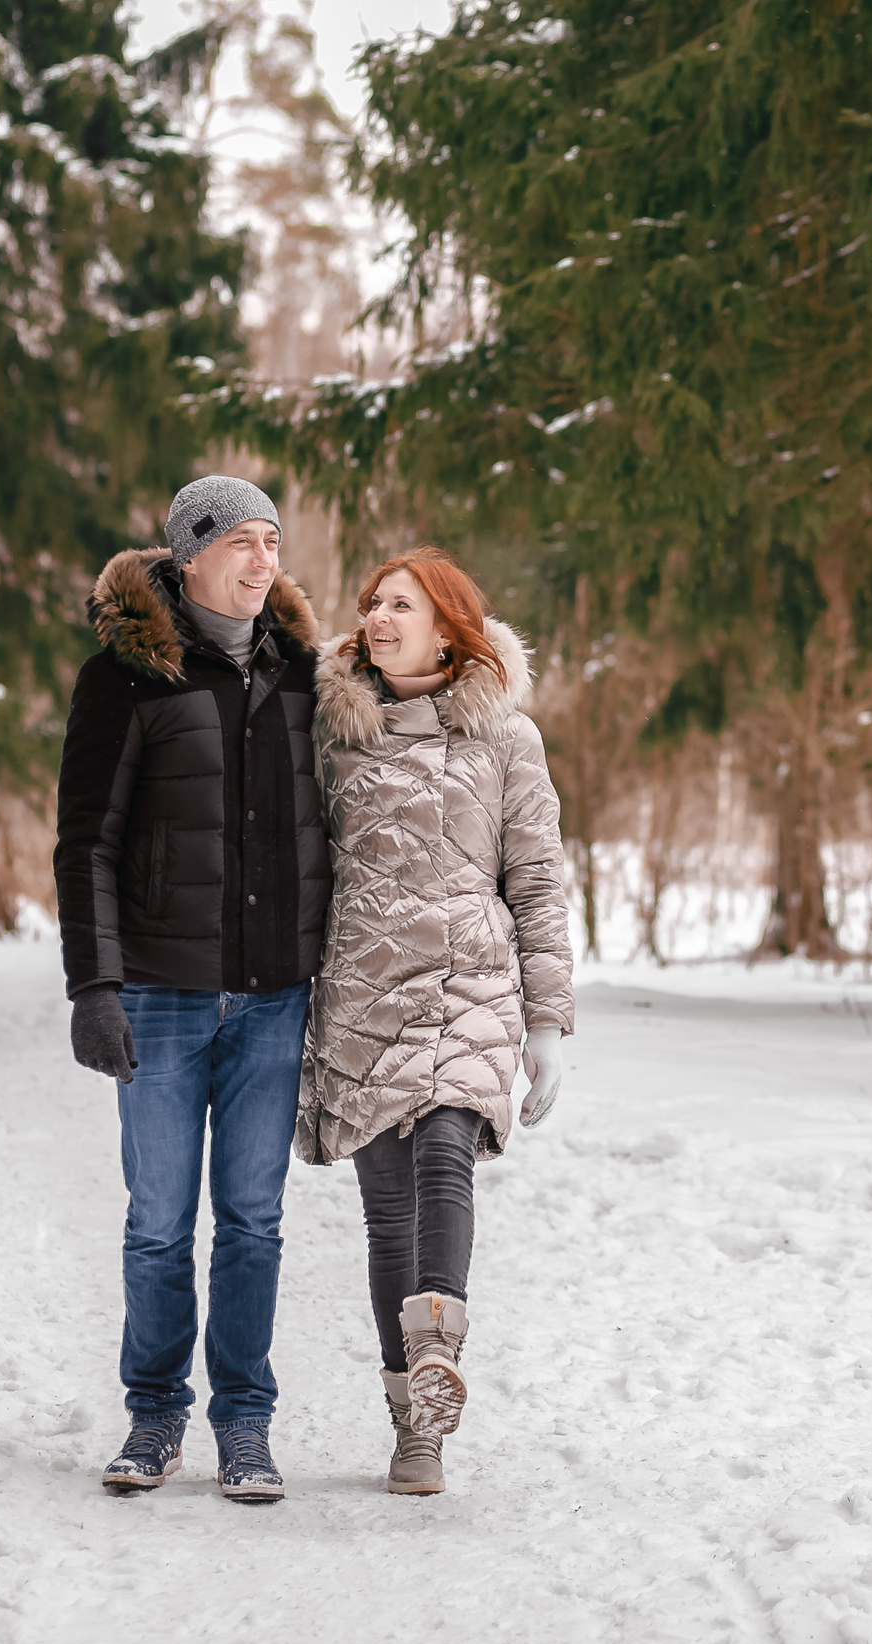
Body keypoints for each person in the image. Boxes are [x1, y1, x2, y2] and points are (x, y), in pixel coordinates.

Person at [53, 475, 329, 1502]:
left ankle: (245, 1425)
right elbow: (85, 844)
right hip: (163, 997)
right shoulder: (123, 680)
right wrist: (96, 986)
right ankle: (155, 1413)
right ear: (187, 556)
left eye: (273, 543)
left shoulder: (306, 677)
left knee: (252, 1220)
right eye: (242, 543)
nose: (264, 562)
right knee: (159, 1220)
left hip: (272, 996)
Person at [295, 544, 574, 1496]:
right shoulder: (334, 733)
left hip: (469, 988)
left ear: (449, 623)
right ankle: (416, 1430)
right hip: (365, 993)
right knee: (387, 1217)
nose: (378, 616)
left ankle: (437, 1347)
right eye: (373, 602)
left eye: (401, 604)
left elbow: (536, 880)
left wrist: (548, 1022)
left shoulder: (508, 739)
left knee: (446, 1154)